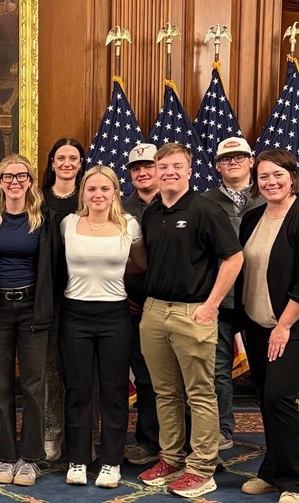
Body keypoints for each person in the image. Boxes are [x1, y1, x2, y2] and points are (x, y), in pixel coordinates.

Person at [138, 143, 243, 499]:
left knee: (199, 392)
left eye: (176, 166)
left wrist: (211, 305)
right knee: (164, 392)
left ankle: (202, 467)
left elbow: (233, 259)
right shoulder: (151, 213)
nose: (168, 172)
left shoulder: (206, 210)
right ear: (154, 170)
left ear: (189, 169)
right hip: (154, 312)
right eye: (162, 166)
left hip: (193, 312)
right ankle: (171, 458)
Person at [237, 149, 299, 503]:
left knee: (279, 395)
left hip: (297, 325)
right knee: (266, 397)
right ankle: (271, 471)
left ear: (292, 176)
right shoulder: (253, 217)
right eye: (263, 177)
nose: (271, 182)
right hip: (258, 323)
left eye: (278, 174)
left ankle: (293, 483)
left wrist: (283, 326)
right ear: (256, 182)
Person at [60, 166, 145, 489]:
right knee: (78, 391)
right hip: (75, 315)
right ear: (83, 193)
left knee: (113, 392)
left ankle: (111, 461)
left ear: (114, 192)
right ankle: (78, 459)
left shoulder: (129, 225)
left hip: (115, 316)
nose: (98, 195)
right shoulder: (68, 224)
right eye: (91, 189)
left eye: (104, 189)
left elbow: (140, 265)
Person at [0, 155, 55, 487]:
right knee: (1, 386)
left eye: (21, 176)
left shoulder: (44, 218)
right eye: (8, 177)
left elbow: (54, 266)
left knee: (34, 386)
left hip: (32, 310)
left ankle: (31, 457)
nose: (15, 182)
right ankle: (6, 455)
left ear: (31, 181)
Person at [200, 136, 263, 451]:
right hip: (220, 298)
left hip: (261, 299)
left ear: (251, 161)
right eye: (226, 159)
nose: (233, 162)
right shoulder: (204, 202)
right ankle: (223, 430)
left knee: (269, 373)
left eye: (239, 157)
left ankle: (283, 438)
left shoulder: (271, 196)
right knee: (217, 369)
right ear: (217, 166)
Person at [40, 136, 85, 461]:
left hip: (85, 297)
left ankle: (84, 434)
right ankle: (51, 432)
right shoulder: (37, 201)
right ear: (52, 163)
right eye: (61, 158)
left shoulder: (91, 199)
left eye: (73, 158)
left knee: (86, 370)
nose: (67, 163)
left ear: (81, 164)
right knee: (51, 369)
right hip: (48, 298)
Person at [121, 143, 161, 468]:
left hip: (173, 305)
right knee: (145, 376)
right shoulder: (119, 209)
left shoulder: (179, 204)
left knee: (179, 379)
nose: (142, 172)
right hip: (134, 306)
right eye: (136, 168)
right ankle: (148, 440)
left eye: (148, 166)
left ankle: (182, 444)